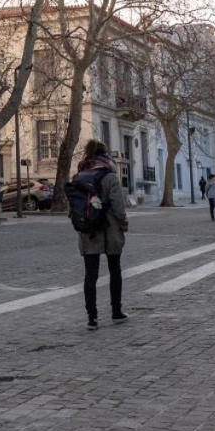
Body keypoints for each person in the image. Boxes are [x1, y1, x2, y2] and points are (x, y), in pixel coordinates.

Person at [72, 139, 128, 329]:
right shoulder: (110, 177)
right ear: (105, 155)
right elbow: (119, 206)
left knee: (90, 275)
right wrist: (123, 224)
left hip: (88, 230)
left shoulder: (79, 176)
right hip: (110, 229)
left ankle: (92, 318)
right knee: (115, 270)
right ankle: (116, 311)